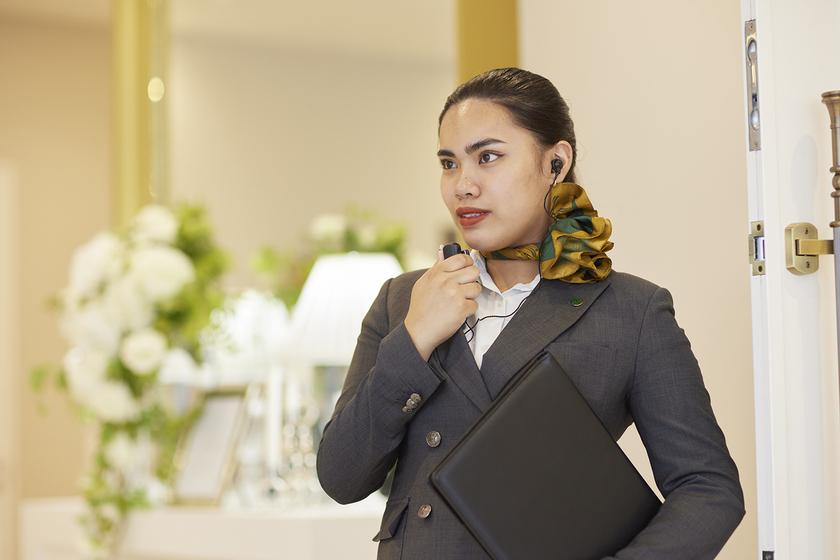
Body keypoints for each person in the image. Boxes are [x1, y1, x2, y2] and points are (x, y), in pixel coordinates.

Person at [316, 67, 745, 559]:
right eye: (449, 163)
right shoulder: (403, 299)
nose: (463, 185)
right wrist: (414, 338)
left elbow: (708, 489)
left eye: (488, 157)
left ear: (555, 164)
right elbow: (340, 477)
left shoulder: (632, 311)